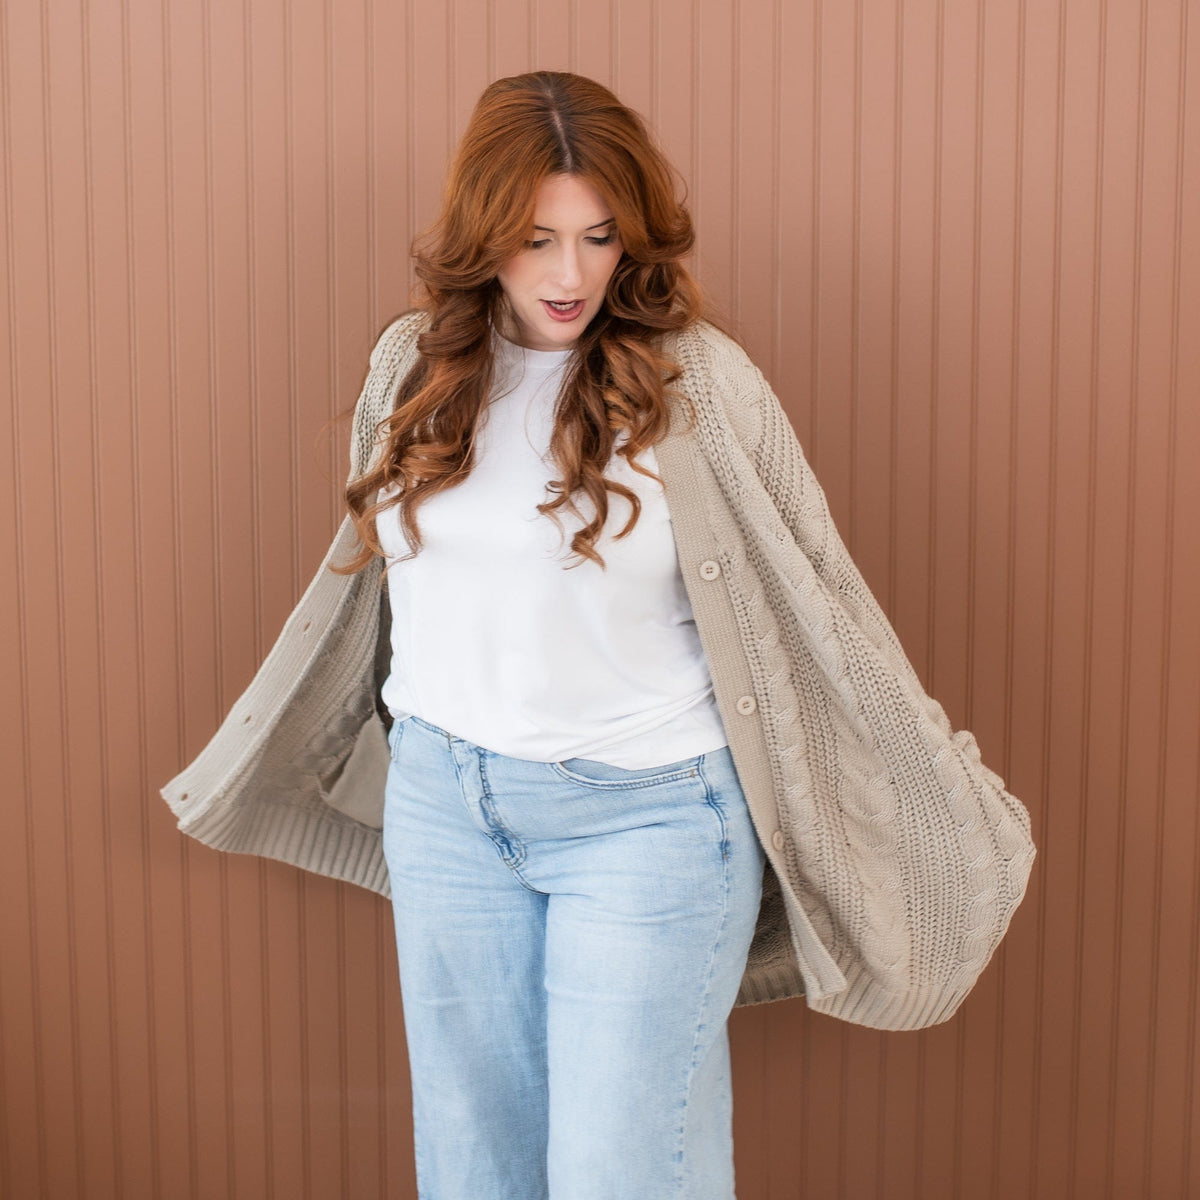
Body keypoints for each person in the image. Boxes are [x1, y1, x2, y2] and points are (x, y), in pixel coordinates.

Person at [160, 70, 1036, 1200]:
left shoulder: (698, 386)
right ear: (484, 234)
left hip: (652, 821)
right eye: (534, 239)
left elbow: (819, 596)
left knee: (624, 1173)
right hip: (446, 808)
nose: (569, 275)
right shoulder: (410, 369)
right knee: (474, 1164)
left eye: (599, 238)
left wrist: (927, 778)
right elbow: (380, 590)